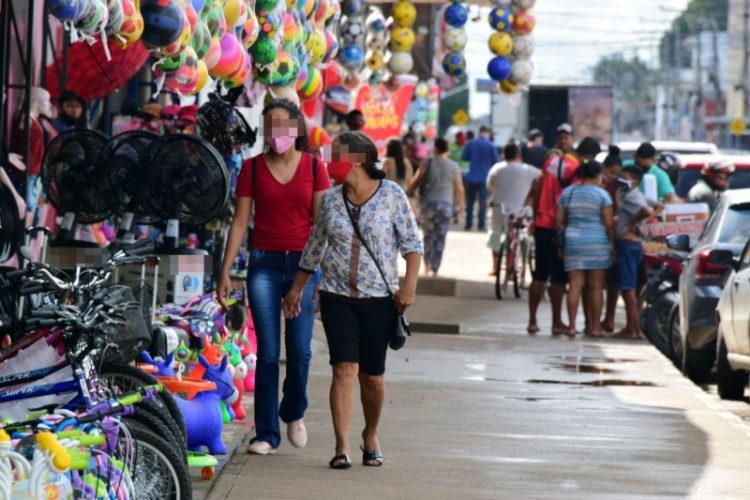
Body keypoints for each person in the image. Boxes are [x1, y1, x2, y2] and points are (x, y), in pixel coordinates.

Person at [282, 131, 422, 469]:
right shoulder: (329, 199)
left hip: (379, 300)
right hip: (336, 296)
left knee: (372, 377)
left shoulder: (391, 195)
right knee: (343, 368)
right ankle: (341, 446)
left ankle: (370, 434)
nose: (328, 164)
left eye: (335, 157)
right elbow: (315, 247)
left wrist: (409, 286)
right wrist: (297, 288)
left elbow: (412, 245)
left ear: (357, 159)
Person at [217, 98, 331, 455]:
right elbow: (239, 222)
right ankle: (266, 433)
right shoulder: (251, 169)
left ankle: (294, 411)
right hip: (263, 265)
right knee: (267, 354)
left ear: (296, 128)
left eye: (283, 124)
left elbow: (324, 227)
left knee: (299, 352)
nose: (276, 132)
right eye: (270, 125)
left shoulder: (315, 168)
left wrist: (317, 277)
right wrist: (224, 271)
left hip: (304, 267)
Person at [526, 123, 578, 335]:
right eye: (563, 137)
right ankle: (556, 321)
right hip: (559, 226)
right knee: (557, 277)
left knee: (540, 274)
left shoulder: (548, 163)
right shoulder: (574, 165)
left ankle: (532, 321)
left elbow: (537, 191)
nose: (564, 140)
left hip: (542, 224)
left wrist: (534, 216)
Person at [556, 160, 614, 338]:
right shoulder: (602, 195)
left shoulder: (568, 192)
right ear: (598, 175)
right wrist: (613, 245)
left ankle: (572, 326)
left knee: (574, 286)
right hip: (597, 242)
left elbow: (558, 222)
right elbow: (608, 223)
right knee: (596, 287)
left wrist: (561, 244)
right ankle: (595, 327)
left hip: (573, 242)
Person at [407, 137, 464, 276]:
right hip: (445, 205)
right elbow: (459, 188)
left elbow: (416, 180)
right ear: (447, 149)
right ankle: (435, 268)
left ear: (436, 148)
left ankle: (426, 265)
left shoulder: (427, 162)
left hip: (428, 204)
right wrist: (461, 207)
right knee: (440, 237)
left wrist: (408, 192)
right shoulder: (453, 166)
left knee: (428, 236)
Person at [615, 165, 659, 339]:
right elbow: (657, 206)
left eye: (624, 177)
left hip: (628, 243)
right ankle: (632, 327)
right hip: (634, 243)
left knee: (628, 288)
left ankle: (633, 329)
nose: (621, 180)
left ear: (633, 180)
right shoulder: (635, 195)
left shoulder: (633, 196)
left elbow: (647, 210)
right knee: (633, 287)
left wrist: (632, 223)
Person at [486, 142, 540, 275]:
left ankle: (495, 267)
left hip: (499, 209)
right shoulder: (528, 170)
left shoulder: (496, 168)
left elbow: (489, 186)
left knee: (496, 236)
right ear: (519, 155)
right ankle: (516, 264)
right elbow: (542, 178)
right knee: (520, 236)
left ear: (504, 155)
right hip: (520, 211)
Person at [601, 146, 623, 333]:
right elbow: (618, 209)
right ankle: (604, 318)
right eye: (609, 172)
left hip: (610, 233)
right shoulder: (613, 185)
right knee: (604, 281)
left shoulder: (614, 185)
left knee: (608, 281)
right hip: (608, 234)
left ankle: (607, 318)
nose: (611, 176)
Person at [461, 126, 499, 231]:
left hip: (472, 176)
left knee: (470, 202)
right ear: (487, 133)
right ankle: (481, 225)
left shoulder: (471, 143)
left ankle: (468, 224)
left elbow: (464, 157)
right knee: (483, 202)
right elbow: (496, 161)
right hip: (484, 178)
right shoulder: (491, 145)